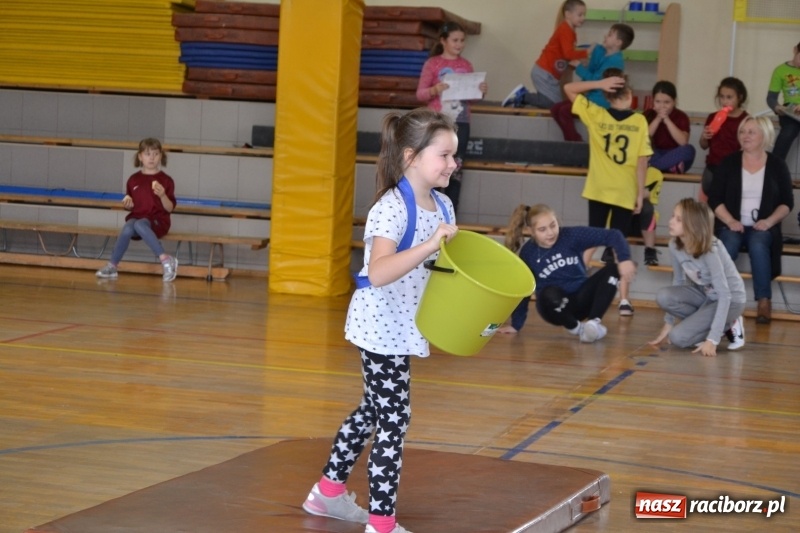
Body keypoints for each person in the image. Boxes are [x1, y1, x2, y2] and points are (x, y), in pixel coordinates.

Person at [302, 108, 459, 533]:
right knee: (395, 419)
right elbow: (378, 271)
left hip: (404, 325)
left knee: (373, 410)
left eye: (454, 156)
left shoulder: (443, 205)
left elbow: (443, 273)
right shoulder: (390, 208)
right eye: (444, 155)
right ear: (411, 156)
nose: (452, 164)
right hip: (379, 327)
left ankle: (327, 494)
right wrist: (428, 245)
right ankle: (382, 524)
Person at [564, 72, 652, 314]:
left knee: (590, 242)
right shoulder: (640, 121)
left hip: (598, 188)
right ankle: (624, 300)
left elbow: (569, 88)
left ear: (606, 95)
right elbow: (642, 161)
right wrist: (638, 194)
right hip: (624, 191)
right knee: (619, 245)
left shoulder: (596, 114)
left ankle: (574, 288)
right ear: (630, 95)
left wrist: (598, 83)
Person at [497, 204, 635, 341]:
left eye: (553, 225)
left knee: (613, 268)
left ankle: (593, 324)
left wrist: (624, 259)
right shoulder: (528, 253)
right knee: (548, 292)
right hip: (553, 307)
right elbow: (524, 291)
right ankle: (577, 328)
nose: (550, 233)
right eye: (542, 229)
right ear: (531, 231)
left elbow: (613, 234)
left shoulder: (571, 235)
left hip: (581, 300)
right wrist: (516, 324)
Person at [707, 115, 794, 325]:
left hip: (763, 226)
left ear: (764, 136)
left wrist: (769, 222)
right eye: (742, 132)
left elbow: (786, 203)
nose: (745, 136)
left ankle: (764, 301)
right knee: (728, 242)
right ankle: (718, 297)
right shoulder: (729, 163)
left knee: (758, 243)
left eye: (751, 132)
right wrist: (729, 221)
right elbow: (714, 198)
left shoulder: (777, 165)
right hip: (731, 224)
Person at [650, 198, 746, 357]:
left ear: (693, 225)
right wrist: (669, 322)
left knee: (678, 338)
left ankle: (728, 324)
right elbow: (678, 282)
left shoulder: (710, 249)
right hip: (706, 295)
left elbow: (725, 294)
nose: (671, 221)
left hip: (731, 300)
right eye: (673, 216)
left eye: (678, 219)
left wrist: (713, 339)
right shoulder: (674, 245)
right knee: (664, 295)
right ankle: (719, 323)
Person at [416, 21, 487, 213]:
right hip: (438, 122)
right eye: (455, 40)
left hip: (461, 121)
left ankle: (450, 211)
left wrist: (480, 92)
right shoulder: (433, 63)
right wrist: (435, 89)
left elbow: (473, 100)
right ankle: (428, 209)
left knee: (455, 168)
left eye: (462, 40)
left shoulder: (466, 65)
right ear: (443, 41)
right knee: (435, 165)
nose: (459, 44)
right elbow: (420, 94)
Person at [95, 138, 178, 282]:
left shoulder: (166, 180)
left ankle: (166, 259)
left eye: (156, 154)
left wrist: (163, 195)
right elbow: (133, 205)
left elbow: (170, 208)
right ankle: (113, 265)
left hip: (158, 221)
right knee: (128, 227)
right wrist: (128, 205)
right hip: (139, 219)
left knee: (139, 224)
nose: (151, 158)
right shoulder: (133, 180)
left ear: (161, 156)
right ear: (140, 156)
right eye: (147, 154)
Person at [551, 23, 634, 141]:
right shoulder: (600, 50)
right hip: (590, 98)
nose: (606, 36)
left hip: (600, 104)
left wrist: (579, 67)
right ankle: (573, 140)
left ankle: (574, 143)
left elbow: (595, 80)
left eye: (610, 35)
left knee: (564, 111)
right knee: (556, 109)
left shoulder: (616, 61)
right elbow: (590, 71)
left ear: (618, 42)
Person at [501, 0, 589, 109]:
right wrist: (587, 53)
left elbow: (566, 56)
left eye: (584, 15)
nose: (583, 18)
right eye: (580, 15)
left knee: (556, 106)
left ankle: (523, 100)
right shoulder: (565, 30)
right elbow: (568, 54)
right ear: (567, 14)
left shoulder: (570, 32)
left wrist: (581, 60)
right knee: (553, 105)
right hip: (544, 73)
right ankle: (522, 96)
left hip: (549, 75)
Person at [617, 166, 664, 315]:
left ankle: (649, 250)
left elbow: (648, 196)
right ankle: (624, 300)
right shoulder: (621, 169)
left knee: (647, 207)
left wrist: (632, 197)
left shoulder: (656, 174)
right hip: (623, 220)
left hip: (642, 221)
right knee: (620, 210)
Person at [699, 77, 749, 198]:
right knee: (709, 194)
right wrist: (704, 137)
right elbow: (703, 145)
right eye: (722, 97)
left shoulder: (746, 120)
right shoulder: (713, 117)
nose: (724, 101)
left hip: (735, 168)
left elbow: (748, 149)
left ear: (740, 97)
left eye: (729, 97)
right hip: (713, 166)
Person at [644, 80, 696, 174]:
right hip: (654, 153)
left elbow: (683, 141)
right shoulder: (648, 114)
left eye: (667, 102)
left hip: (674, 154)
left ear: (674, 101)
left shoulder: (681, 116)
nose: (662, 106)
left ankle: (654, 167)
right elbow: (643, 139)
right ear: (653, 101)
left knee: (689, 150)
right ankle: (670, 167)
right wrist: (657, 119)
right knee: (644, 151)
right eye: (658, 102)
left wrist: (667, 120)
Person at [767, 41, 800, 162]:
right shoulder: (780, 70)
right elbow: (771, 98)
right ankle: (773, 168)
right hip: (790, 110)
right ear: (795, 50)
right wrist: (777, 107)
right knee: (788, 132)